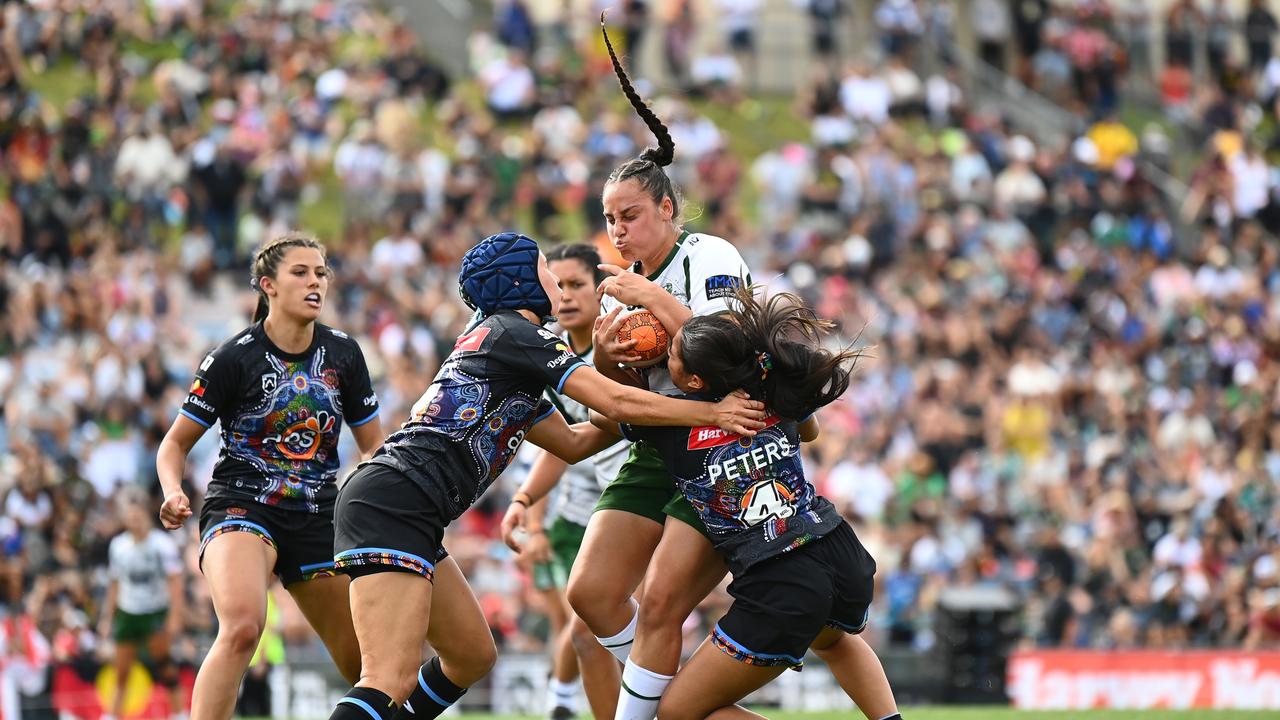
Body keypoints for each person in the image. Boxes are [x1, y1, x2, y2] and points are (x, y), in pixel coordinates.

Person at [323, 232, 765, 720]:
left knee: (472, 655)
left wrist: (657, 416)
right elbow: (613, 401)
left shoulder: (506, 352)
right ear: (517, 282)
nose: (554, 279)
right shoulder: (518, 335)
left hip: (406, 505)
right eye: (543, 268)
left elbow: (576, 441)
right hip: (394, 502)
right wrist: (708, 412)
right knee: (389, 679)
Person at [550, 20, 754, 720]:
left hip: (726, 444)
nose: (617, 232)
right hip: (657, 442)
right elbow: (617, 388)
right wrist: (609, 350)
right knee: (590, 595)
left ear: (667, 209)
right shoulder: (622, 283)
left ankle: (658, 702)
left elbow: (727, 346)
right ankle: (673, 694)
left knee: (666, 603)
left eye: (630, 216)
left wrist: (650, 301)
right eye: (609, 219)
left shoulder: (711, 257)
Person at [590, 287, 902, 720]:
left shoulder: (670, 422)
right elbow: (809, 433)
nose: (665, 356)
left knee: (678, 714)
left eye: (672, 354)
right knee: (835, 641)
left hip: (781, 580)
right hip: (838, 551)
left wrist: (606, 360)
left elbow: (603, 413)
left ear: (695, 381)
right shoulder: (772, 395)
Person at [156, 233, 385, 720]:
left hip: (317, 515)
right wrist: (173, 490)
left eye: (321, 272)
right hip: (242, 506)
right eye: (300, 273)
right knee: (242, 628)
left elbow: (374, 449)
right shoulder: (231, 358)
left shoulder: (345, 355)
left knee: (367, 664)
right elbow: (173, 444)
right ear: (268, 286)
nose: (315, 282)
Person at [517, 244, 628, 720]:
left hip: (649, 499)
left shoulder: (629, 336)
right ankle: (563, 700)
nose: (564, 296)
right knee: (581, 627)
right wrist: (527, 506)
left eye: (576, 284)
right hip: (590, 510)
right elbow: (563, 445)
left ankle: (561, 700)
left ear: (600, 287)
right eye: (555, 285)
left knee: (590, 628)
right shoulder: (551, 360)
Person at [99, 491, 185, 720]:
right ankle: (113, 715)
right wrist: (107, 618)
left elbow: (175, 582)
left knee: (166, 668)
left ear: (146, 514)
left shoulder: (161, 544)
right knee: (121, 671)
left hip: (155, 610)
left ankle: (179, 714)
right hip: (128, 612)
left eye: (138, 516)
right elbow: (114, 585)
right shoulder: (118, 546)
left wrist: (175, 617)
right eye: (130, 517)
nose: (135, 521)